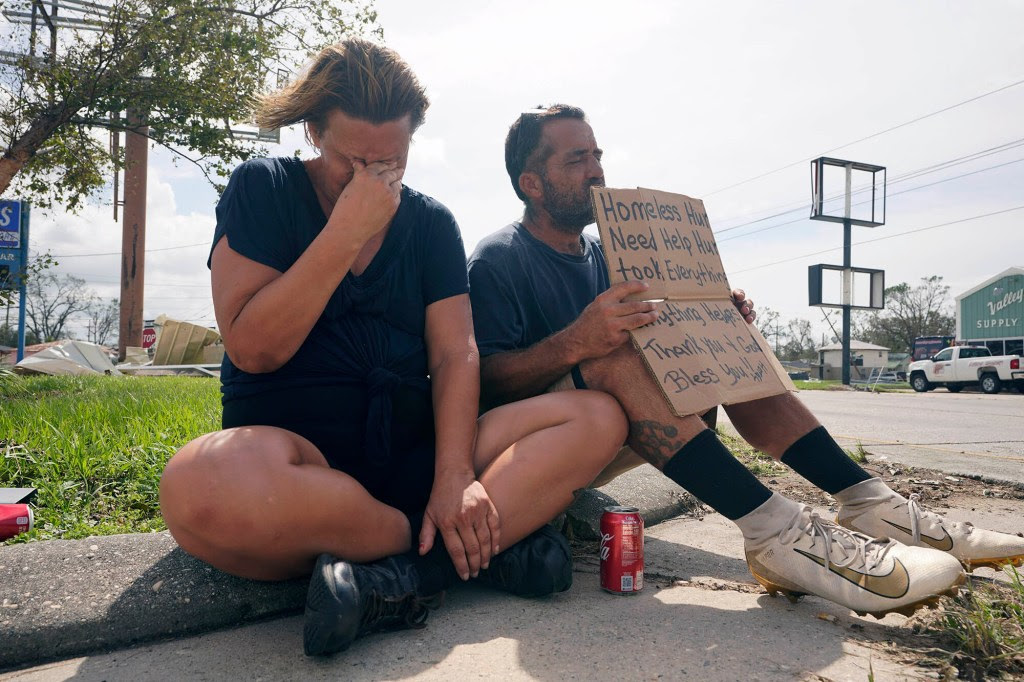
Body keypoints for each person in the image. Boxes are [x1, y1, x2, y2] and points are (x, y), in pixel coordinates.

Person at [468, 104, 1024, 618]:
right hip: (523, 443)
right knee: (613, 362)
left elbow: (652, 339)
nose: (596, 170)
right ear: (532, 183)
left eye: (598, 155)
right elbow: (483, 382)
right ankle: (776, 534)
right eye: (577, 159)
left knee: (714, 349)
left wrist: (709, 318)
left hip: (604, 432)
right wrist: (577, 341)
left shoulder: (607, 255)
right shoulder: (499, 259)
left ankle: (870, 503)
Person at [159, 48, 628, 657]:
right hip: (301, 470)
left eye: (392, 160)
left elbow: (458, 353)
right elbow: (254, 350)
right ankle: (463, 554)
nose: (374, 175)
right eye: (355, 159)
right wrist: (346, 231)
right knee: (199, 484)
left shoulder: (431, 222)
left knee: (597, 417)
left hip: (419, 455)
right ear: (313, 131)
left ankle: (403, 578)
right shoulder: (263, 188)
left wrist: (456, 476)